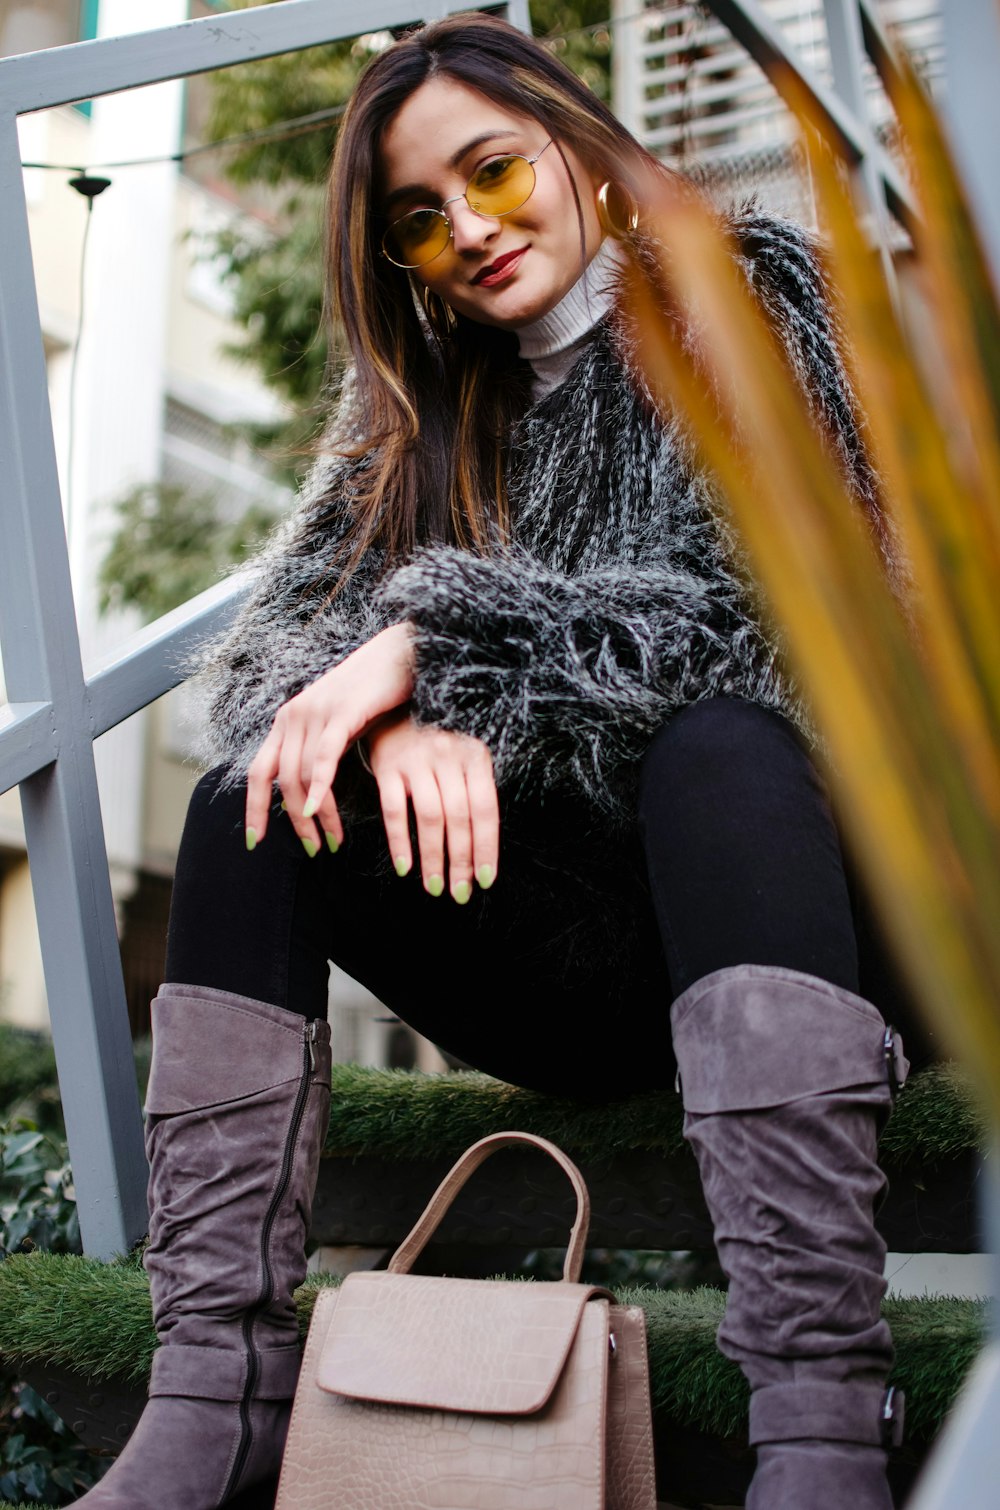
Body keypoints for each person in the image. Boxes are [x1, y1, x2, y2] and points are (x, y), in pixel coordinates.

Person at [75, 12, 917, 1509]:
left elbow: (764, 619)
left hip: (805, 917)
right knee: (257, 794)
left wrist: (432, 650)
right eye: (420, 215)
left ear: (577, 144)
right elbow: (273, 676)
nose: (468, 229)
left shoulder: (748, 294)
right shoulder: (415, 412)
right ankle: (215, 1391)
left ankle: (823, 1422)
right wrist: (384, 714)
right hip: (581, 965)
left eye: (495, 174)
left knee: (722, 742)